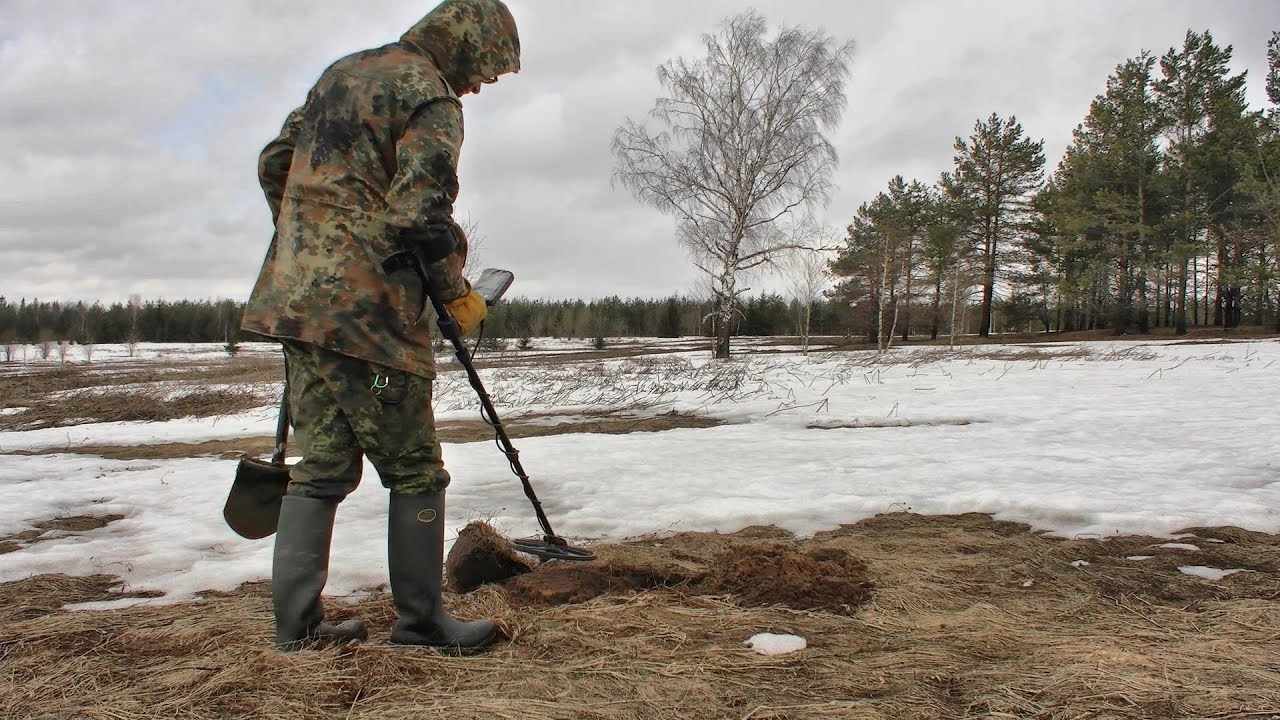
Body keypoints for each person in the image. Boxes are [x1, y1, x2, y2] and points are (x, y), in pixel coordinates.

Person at [241, 0, 521, 652]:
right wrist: (456, 295)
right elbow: (420, 213)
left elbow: (275, 163)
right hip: (370, 316)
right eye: (485, 70)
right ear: (467, 43)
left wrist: (313, 242)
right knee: (416, 471)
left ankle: (297, 628)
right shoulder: (431, 97)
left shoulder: (342, 73)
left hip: (298, 305)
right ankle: (423, 624)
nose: (478, 86)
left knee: (324, 467)